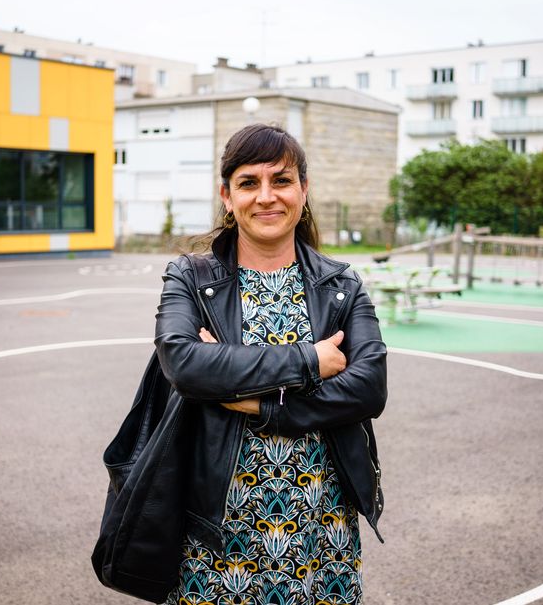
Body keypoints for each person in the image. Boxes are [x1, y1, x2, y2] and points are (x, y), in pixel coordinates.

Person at [154, 123, 387, 604]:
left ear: (304, 190)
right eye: (248, 182)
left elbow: (368, 388)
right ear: (226, 195)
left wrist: (262, 405)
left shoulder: (341, 284)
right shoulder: (190, 278)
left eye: (281, 180)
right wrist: (310, 360)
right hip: (216, 539)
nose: (266, 197)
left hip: (320, 534)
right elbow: (185, 365)